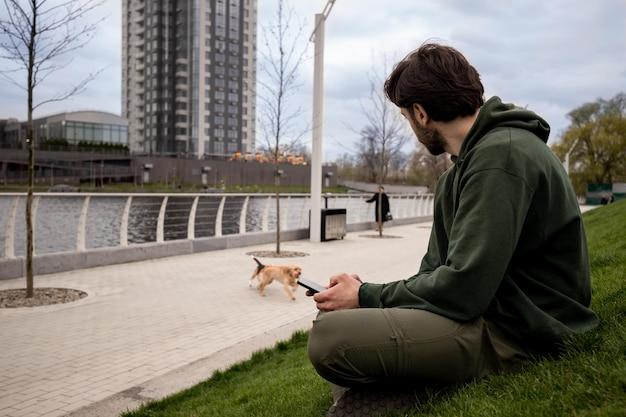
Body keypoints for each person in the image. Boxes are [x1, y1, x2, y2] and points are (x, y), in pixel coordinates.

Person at [306, 42, 598, 416]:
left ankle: (412, 383)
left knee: (331, 340)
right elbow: (435, 272)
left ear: (421, 113)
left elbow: (464, 287)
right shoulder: (457, 174)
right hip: (483, 313)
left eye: (405, 116)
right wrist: (362, 296)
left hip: (523, 330)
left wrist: (367, 295)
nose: (410, 125)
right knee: (333, 315)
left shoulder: (502, 156)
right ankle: (405, 384)